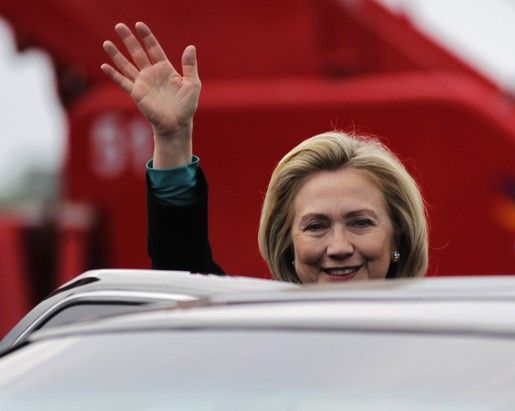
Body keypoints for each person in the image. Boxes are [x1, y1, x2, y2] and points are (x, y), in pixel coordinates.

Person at [101, 22, 428, 283]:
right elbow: (183, 270)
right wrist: (172, 138)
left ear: (397, 238)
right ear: (287, 245)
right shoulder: (255, 336)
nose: (339, 247)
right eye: (315, 226)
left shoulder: (447, 345)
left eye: (361, 223)